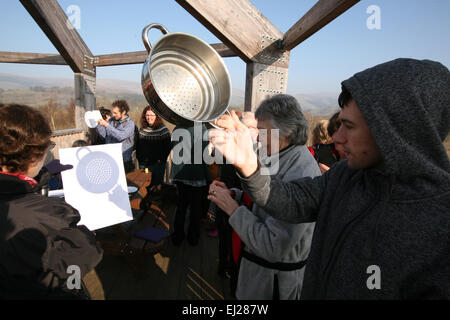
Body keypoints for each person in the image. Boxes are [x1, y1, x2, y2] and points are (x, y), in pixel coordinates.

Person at [209, 58, 450, 299]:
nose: (336, 137)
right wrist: (249, 169)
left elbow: (275, 245)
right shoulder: (345, 175)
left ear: (392, 130)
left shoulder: (439, 228)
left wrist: (233, 207)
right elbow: (293, 201)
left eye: (348, 126)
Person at [209, 95, 320, 300]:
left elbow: (272, 246)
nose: (258, 138)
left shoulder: (302, 171)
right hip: (257, 275)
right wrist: (237, 195)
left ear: (285, 131)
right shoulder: (280, 156)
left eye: (262, 131)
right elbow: (264, 202)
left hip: (273, 286)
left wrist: (233, 208)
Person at [0, 104, 103, 299]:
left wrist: (41, 176)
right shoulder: (49, 214)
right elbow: (80, 261)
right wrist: (87, 236)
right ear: (33, 155)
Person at [170, 123, 210, 247]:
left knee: (181, 206)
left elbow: (174, 147)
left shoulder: (178, 127)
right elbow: (205, 154)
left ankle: (177, 236)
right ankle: (193, 238)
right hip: (197, 175)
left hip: (181, 175)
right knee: (195, 208)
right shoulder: (202, 129)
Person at [135, 106, 171, 187]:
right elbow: (138, 146)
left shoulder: (163, 129)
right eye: (147, 115)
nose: (149, 117)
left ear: (156, 116)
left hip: (157, 165)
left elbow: (167, 147)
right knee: (144, 186)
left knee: (156, 186)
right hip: (143, 164)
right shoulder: (142, 129)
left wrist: (160, 160)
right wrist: (139, 158)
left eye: (151, 115)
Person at [96, 100, 136, 173]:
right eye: (113, 112)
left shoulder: (130, 124)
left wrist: (107, 125)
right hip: (110, 158)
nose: (113, 115)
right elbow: (104, 136)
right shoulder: (111, 121)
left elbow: (121, 136)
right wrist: (99, 125)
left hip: (124, 160)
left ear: (123, 112)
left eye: (115, 113)